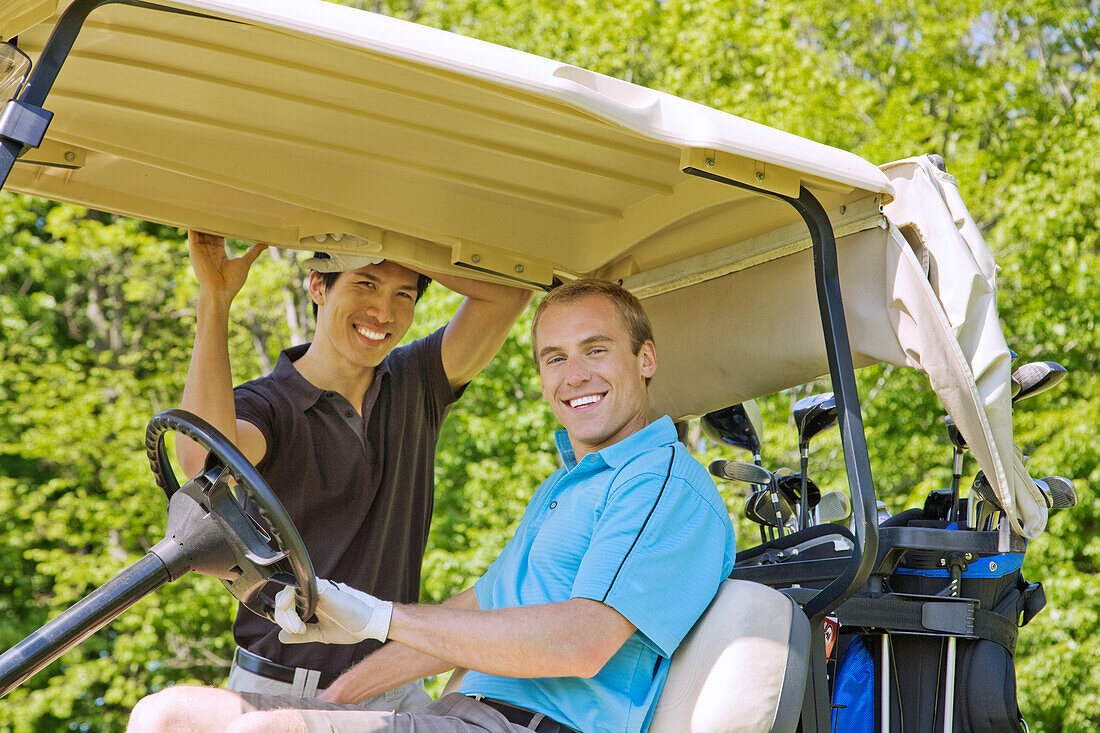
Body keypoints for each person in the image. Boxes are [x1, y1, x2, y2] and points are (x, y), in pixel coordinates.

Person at [129, 278, 736, 733]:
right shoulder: (571, 484)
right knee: (171, 715)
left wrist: (376, 616)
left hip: (523, 727)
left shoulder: (657, 481)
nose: (573, 375)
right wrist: (337, 702)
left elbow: (580, 643)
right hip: (459, 714)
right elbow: (475, 610)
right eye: (555, 358)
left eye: (596, 350)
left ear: (646, 358)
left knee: (273, 732)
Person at [179, 231, 530, 707]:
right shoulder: (266, 406)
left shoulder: (418, 381)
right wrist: (215, 300)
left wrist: (385, 233)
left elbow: (510, 291)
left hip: (393, 686)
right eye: (365, 284)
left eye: (403, 294)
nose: (383, 313)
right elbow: (201, 461)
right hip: (282, 692)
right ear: (318, 286)